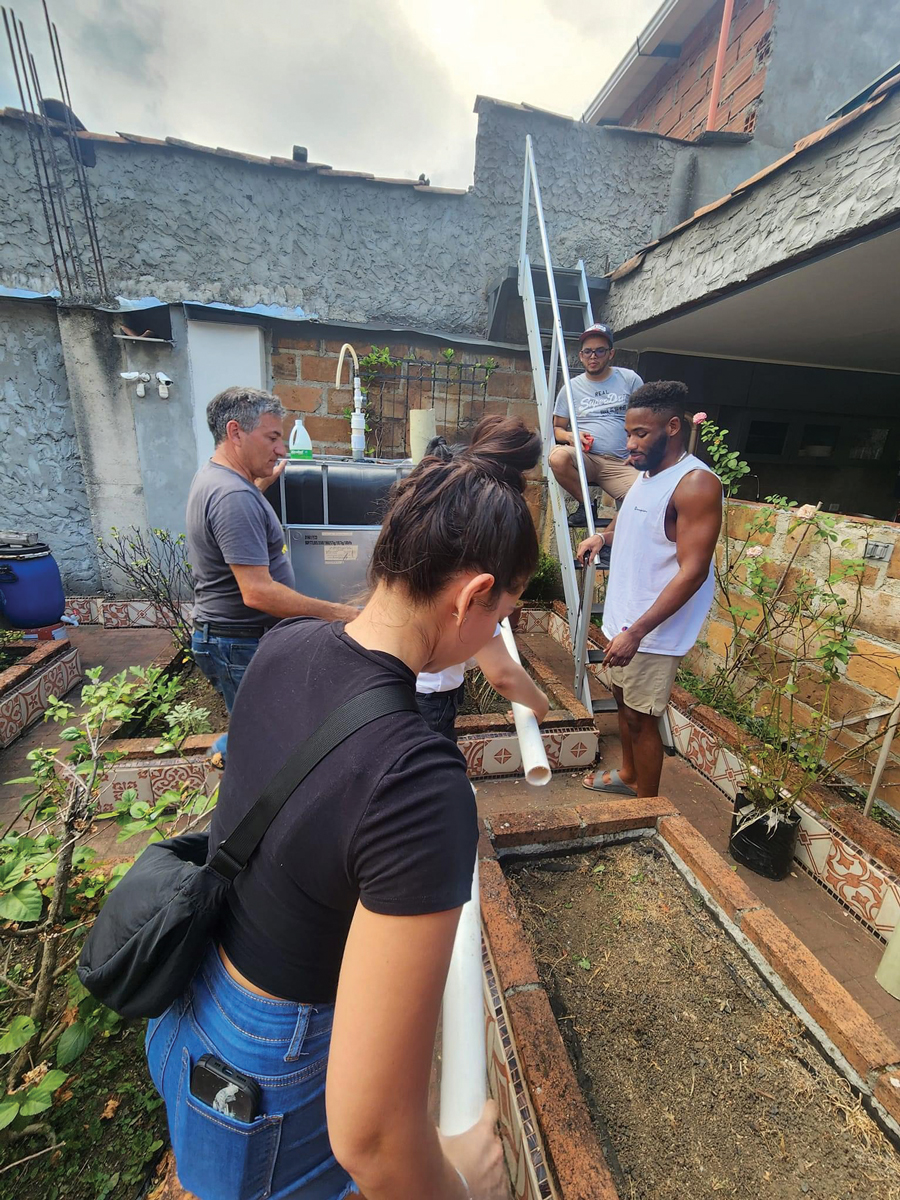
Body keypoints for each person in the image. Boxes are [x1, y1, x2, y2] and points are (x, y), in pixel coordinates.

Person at [146, 414, 541, 1200]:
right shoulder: (419, 781)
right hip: (269, 1075)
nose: (497, 633)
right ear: (473, 596)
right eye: (503, 615)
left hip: (187, 1011)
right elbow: (370, 1137)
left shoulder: (286, 646)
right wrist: (460, 1178)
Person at [186, 387, 357, 755]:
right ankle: (237, 782)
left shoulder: (223, 480)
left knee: (262, 726)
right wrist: (341, 614)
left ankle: (227, 757)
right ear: (235, 432)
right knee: (267, 741)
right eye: (273, 438)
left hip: (231, 638)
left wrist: (259, 486)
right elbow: (258, 592)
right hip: (238, 642)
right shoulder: (234, 498)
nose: (281, 449)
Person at [576, 381, 722, 799]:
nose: (629, 444)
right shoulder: (646, 476)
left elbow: (693, 572)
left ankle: (646, 807)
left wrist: (637, 633)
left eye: (640, 433)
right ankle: (629, 774)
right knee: (624, 706)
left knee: (643, 718)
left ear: (673, 427)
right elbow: (634, 517)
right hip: (625, 621)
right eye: (628, 433)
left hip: (651, 632)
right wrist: (602, 537)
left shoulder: (695, 485)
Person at [415, 436, 549, 741]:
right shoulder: (475, 577)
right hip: (430, 700)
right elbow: (502, 674)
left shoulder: (425, 545)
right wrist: (541, 705)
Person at [549, 323, 642, 526]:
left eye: (600, 350)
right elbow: (557, 429)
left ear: (611, 354)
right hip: (586, 458)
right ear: (581, 356)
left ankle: (608, 541)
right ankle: (586, 505)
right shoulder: (570, 388)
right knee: (557, 457)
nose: (593, 356)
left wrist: (639, 452)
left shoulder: (629, 379)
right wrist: (571, 436)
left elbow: (645, 421)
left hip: (621, 461)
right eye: (588, 351)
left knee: (645, 496)